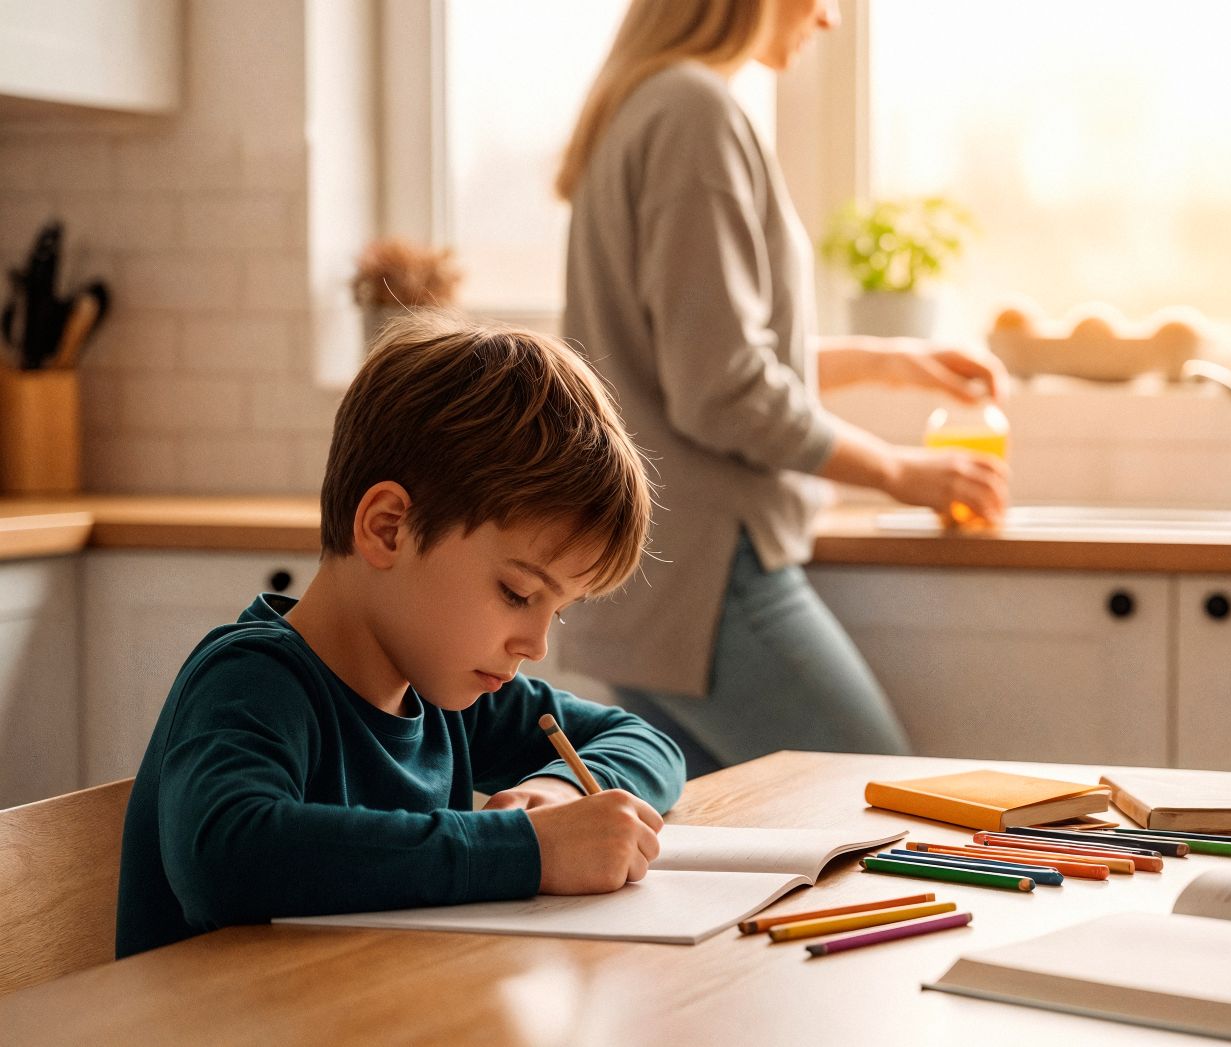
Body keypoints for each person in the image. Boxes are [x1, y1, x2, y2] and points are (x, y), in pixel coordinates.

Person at [115, 313, 686, 958]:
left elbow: (645, 742)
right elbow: (226, 856)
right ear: (388, 529)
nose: (535, 645)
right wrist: (529, 852)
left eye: (556, 611)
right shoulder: (252, 681)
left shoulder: (443, 692)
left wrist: (556, 791)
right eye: (518, 594)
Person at [557, 0, 1010, 778]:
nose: (831, 20)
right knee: (883, 812)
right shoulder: (695, 112)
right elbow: (721, 388)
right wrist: (900, 473)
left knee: (728, 864)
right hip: (709, 577)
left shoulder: (645, 104)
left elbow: (695, 355)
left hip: (649, 576)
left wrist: (887, 362)